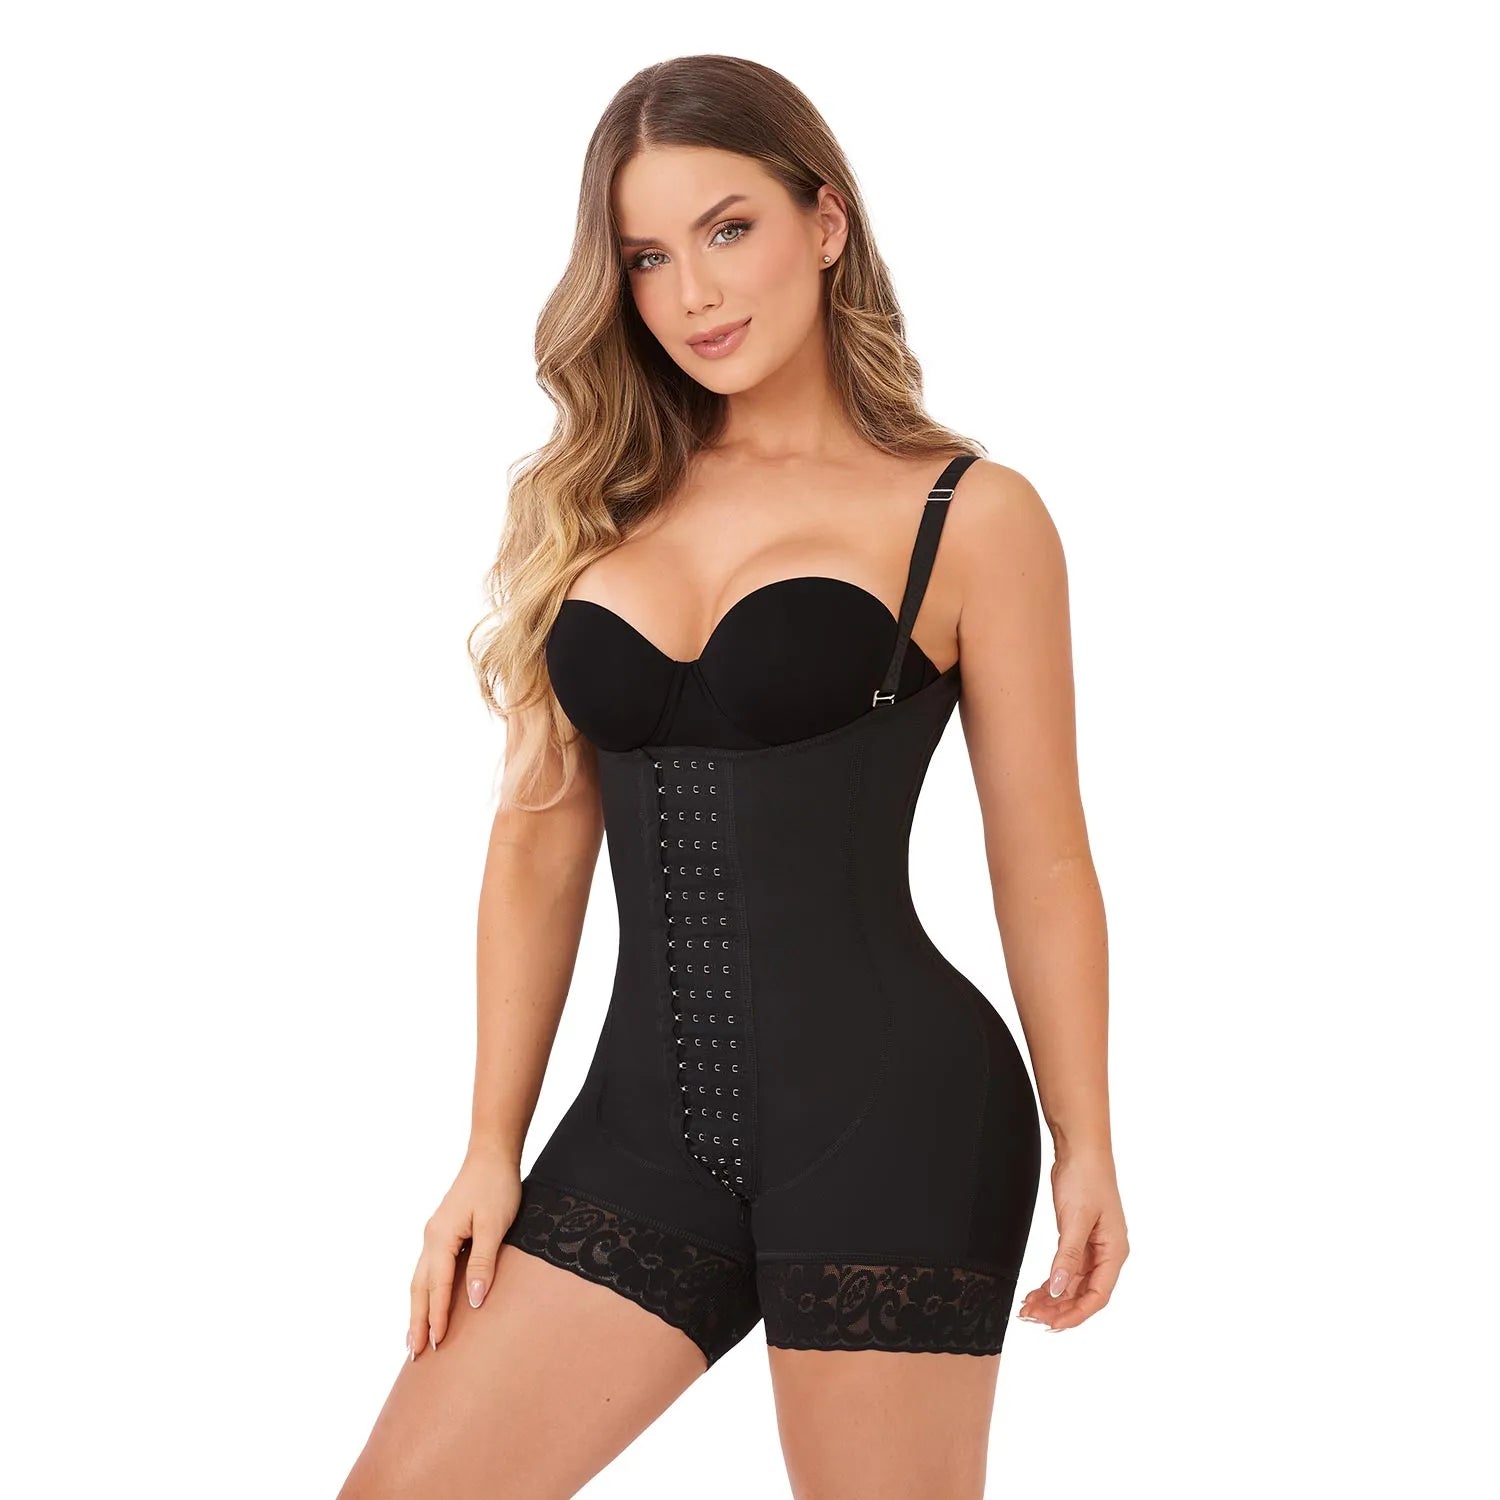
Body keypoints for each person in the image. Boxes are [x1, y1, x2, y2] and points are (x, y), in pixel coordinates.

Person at [339, 52, 1126, 1500]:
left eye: (727, 229)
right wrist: (489, 1148)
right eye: (647, 256)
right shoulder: (593, 506)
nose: (692, 292)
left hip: (895, 1120)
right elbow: (535, 845)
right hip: (640, 1135)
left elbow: (1043, 856)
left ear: (825, 222)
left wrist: (1088, 1141)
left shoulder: (970, 516)